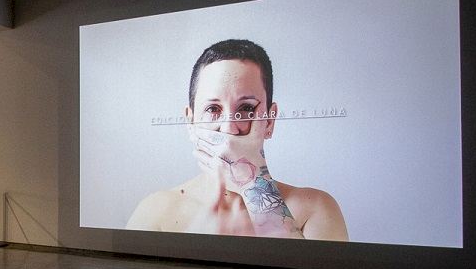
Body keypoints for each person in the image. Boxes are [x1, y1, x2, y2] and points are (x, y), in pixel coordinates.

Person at [127, 40, 347, 240]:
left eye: (246, 109)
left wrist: (253, 183)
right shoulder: (156, 211)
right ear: (190, 122)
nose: (228, 128)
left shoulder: (316, 209)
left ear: (269, 121)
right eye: (213, 109)